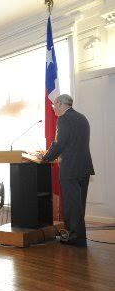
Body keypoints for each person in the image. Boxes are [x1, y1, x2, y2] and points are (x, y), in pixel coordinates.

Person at [34, 94, 94, 246]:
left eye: (54, 105)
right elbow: (73, 143)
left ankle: (75, 238)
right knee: (79, 204)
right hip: (84, 167)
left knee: (72, 204)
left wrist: (46, 157)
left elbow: (60, 144)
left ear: (60, 104)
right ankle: (78, 236)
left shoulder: (64, 119)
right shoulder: (82, 118)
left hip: (71, 169)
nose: (53, 108)